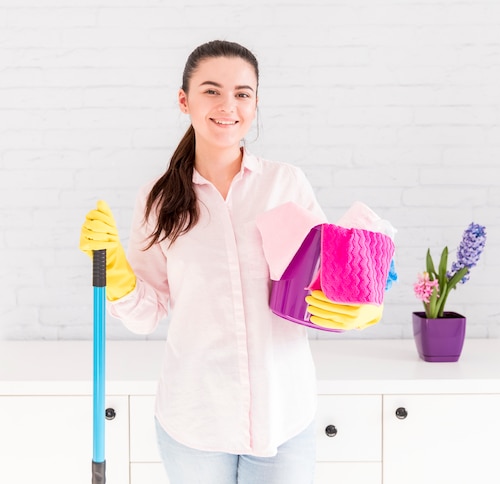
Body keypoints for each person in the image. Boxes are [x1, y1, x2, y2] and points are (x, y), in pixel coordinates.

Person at [80, 39, 372, 484]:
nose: (227, 105)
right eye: (211, 90)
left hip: (283, 415)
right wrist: (117, 272)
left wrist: (360, 301)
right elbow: (145, 317)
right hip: (195, 419)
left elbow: (320, 286)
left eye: (242, 93)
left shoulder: (285, 184)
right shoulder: (159, 199)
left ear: (255, 102)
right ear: (184, 100)